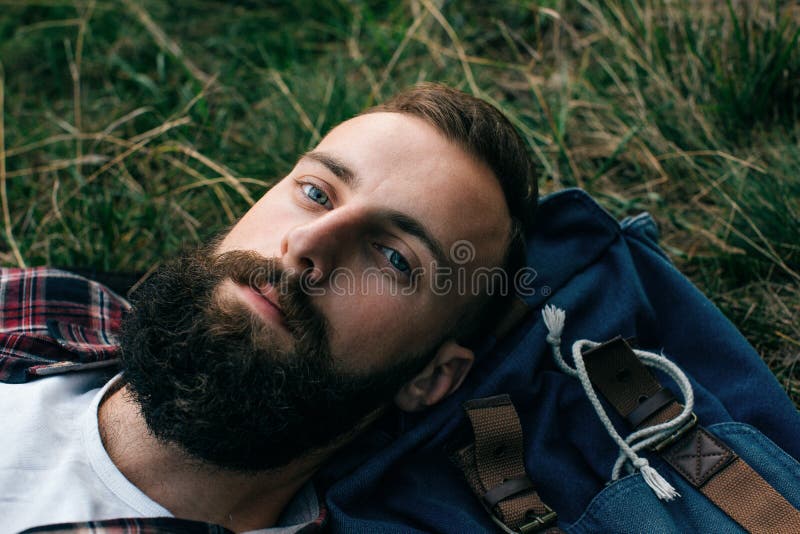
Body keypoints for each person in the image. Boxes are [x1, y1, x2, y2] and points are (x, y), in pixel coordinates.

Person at [0, 83, 538, 533]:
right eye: (317, 193)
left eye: (395, 256)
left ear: (430, 377)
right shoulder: (55, 304)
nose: (306, 242)